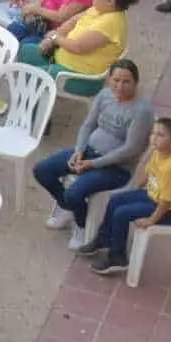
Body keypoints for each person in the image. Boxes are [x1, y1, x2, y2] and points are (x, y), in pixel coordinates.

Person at [34, 59, 154, 248]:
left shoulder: (142, 111)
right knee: (42, 170)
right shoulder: (104, 95)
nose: (120, 86)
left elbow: (130, 149)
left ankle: (81, 226)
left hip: (116, 167)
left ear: (135, 83)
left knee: (75, 192)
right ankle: (68, 207)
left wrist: (93, 164)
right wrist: (79, 150)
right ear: (109, 80)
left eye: (126, 82)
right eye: (116, 80)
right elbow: (88, 124)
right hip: (88, 152)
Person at [80, 116, 171, 276]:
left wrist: (151, 220)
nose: (154, 138)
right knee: (116, 200)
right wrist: (134, 189)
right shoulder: (158, 152)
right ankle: (104, 238)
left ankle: (118, 258)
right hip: (153, 196)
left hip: (170, 211)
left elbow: (167, 202)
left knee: (121, 213)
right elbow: (149, 173)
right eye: (153, 133)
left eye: (161, 135)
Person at [20, 0, 140, 96]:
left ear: (111, 2)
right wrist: (49, 40)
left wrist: (55, 38)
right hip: (60, 59)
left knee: (34, 78)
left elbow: (77, 47)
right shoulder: (101, 8)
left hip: (79, 76)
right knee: (26, 51)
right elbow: (73, 21)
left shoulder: (111, 23)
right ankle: (33, 97)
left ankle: (30, 108)